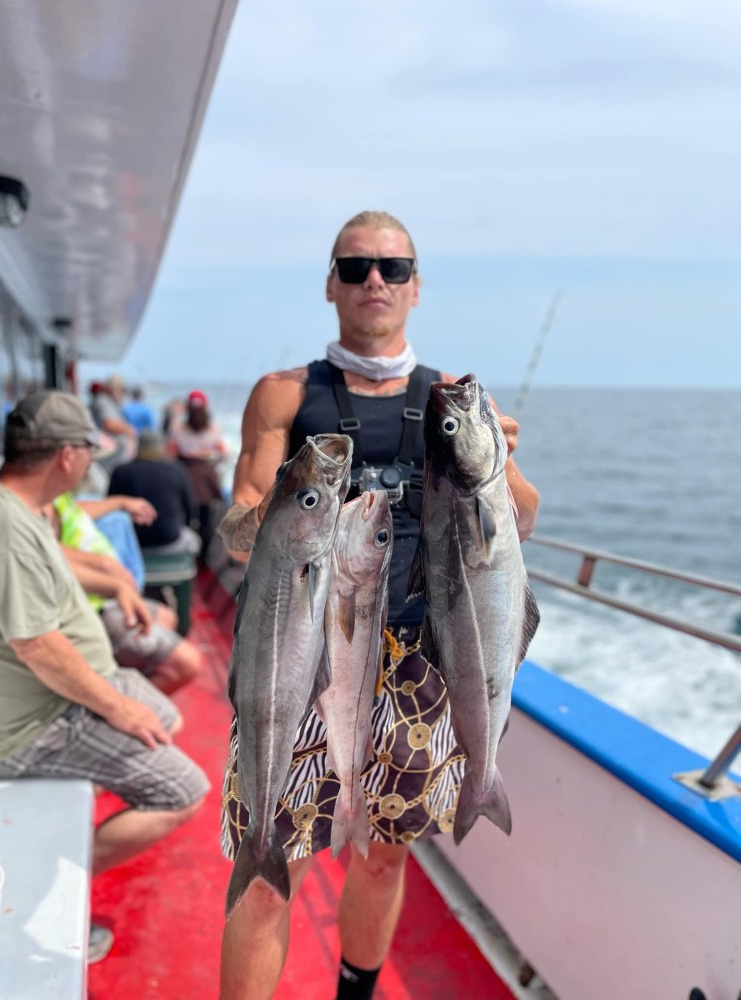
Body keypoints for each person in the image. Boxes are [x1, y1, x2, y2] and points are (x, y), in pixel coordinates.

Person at [217, 210, 540, 1000]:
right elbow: (236, 525)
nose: (374, 281)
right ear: (330, 282)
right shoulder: (285, 392)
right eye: (356, 266)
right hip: (302, 648)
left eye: (392, 269)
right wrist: (298, 505)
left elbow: (521, 519)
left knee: (385, 852)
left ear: (415, 288)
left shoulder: (450, 397)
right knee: (268, 868)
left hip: (421, 657)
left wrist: (498, 460)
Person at [0, 390, 210, 961]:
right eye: (88, 450)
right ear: (66, 456)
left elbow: (58, 562)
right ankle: (51, 879)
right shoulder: (6, 528)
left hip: (57, 694)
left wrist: (114, 580)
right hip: (32, 721)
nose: (92, 460)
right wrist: (118, 709)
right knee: (184, 791)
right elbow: (37, 646)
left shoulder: (15, 506)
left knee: (167, 714)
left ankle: (80, 814)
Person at [50, 491, 203, 695]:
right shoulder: (34, 507)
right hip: (92, 608)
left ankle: (129, 690)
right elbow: (43, 552)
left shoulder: (59, 498)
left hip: (106, 597)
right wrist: (109, 576)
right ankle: (121, 710)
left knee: (167, 617)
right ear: (66, 459)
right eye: (86, 456)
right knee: (186, 663)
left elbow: (76, 512)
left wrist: (120, 502)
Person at [108, 430, 201, 557]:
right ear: (161, 448)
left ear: (138, 448)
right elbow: (190, 510)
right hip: (170, 541)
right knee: (194, 541)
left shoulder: (121, 471)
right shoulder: (176, 469)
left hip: (132, 543)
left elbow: (110, 510)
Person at [166, 389, 228, 562]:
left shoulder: (177, 428)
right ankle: (204, 557)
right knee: (206, 518)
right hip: (206, 478)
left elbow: (170, 454)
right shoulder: (213, 429)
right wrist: (210, 464)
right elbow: (223, 453)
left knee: (184, 516)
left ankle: (187, 554)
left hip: (184, 474)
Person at [90, 374, 137, 474]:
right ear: (114, 390)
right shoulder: (102, 401)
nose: (123, 394)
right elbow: (109, 423)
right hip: (108, 463)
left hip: (114, 460)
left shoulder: (109, 402)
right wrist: (129, 430)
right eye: (122, 390)